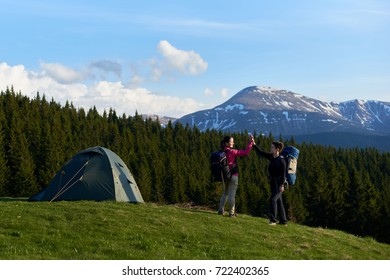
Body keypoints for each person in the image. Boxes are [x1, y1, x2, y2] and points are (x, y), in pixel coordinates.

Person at [218, 135, 254, 217]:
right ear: (227, 143)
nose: (233, 143)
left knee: (225, 193)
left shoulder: (222, 152)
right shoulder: (232, 152)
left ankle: (220, 210)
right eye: (231, 142)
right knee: (232, 195)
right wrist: (250, 143)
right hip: (234, 175)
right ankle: (231, 213)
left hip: (225, 176)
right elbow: (245, 152)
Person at [253, 140, 288, 226]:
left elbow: (284, 174)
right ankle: (283, 221)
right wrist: (254, 144)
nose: (270, 148)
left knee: (273, 200)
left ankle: (273, 221)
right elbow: (261, 153)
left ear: (277, 149)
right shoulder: (272, 157)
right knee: (279, 202)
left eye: (272, 147)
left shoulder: (281, 160)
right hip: (273, 182)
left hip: (279, 184)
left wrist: (282, 185)